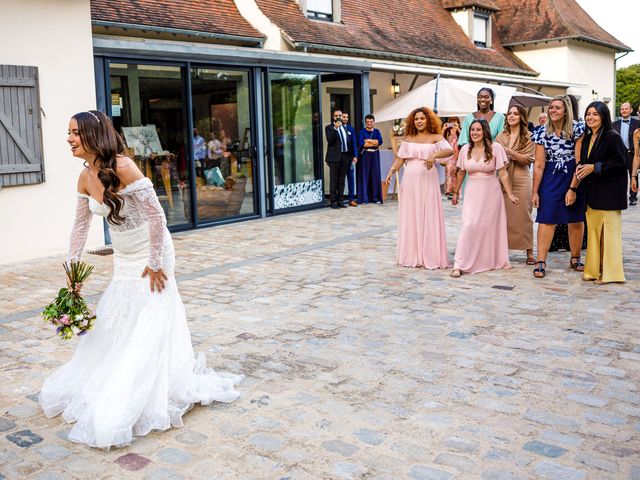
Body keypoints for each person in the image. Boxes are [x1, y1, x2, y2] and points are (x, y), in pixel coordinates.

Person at [39, 110, 241, 449]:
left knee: (152, 314)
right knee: (121, 313)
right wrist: (72, 271)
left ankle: (144, 387)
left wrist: (155, 261)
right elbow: (79, 227)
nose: (69, 139)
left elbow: (157, 216)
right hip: (123, 257)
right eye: (68, 132)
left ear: (93, 135)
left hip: (152, 251)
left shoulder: (123, 166)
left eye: (75, 133)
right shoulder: (85, 177)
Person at [384, 107, 453, 269]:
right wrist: (391, 171)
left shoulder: (436, 137)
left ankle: (430, 254)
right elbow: (401, 159)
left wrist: (434, 155)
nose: (419, 121)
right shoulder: (408, 138)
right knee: (412, 214)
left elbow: (449, 150)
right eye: (416, 119)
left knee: (428, 213)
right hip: (410, 180)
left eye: (422, 118)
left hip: (428, 179)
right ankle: (413, 254)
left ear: (428, 120)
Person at [450, 119, 519, 277]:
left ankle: (487, 260)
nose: (474, 133)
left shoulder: (496, 148)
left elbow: (502, 172)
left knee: (487, 227)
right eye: (472, 130)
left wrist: (510, 194)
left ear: (485, 131)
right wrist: (455, 192)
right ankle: (459, 264)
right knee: (469, 225)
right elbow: (461, 172)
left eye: (478, 130)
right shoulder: (465, 149)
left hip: (491, 192)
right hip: (472, 192)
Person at [531, 96, 586, 278]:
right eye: (551, 108)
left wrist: (573, 188)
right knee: (546, 218)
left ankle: (575, 257)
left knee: (575, 218)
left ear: (566, 111)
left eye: (557, 108)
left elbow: (579, 161)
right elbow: (539, 165)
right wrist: (535, 192)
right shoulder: (541, 132)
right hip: (550, 176)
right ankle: (541, 260)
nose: (553, 111)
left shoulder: (577, 129)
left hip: (572, 174)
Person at [578, 101, 627, 284]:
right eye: (588, 114)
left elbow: (621, 163)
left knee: (609, 236)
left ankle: (610, 274)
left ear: (603, 116)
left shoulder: (611, 136)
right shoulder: (588, 137)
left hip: (610, 194)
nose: (590, 117)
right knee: (594, 234)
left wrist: (594, 167)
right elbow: (585, 163)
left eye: (595, 114)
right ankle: (594, 271)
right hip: (593, 194)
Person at [496, 106, 535, 264]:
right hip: (504, 177)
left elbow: (528, 159)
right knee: (503, 215)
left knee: (524, 213)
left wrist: (511, 153)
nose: (512, 116)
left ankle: (529, 252)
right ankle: (501, 250)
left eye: (516, 114)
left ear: (522, 117)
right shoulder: (500, 136)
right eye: (510, 114)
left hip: (521, 177)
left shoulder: (529, 136)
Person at [325, 109, 355, 209]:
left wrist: (352, 155)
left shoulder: (345, 128)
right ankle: (333, 201)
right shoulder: (329, 128)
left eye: (340, 115)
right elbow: (330, 140)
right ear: (333, 117)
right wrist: (335, 128)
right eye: (336, 115)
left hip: (345, 156)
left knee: (342, 180)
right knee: (334, 180)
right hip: (334, 157)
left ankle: (340, 201)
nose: (338, 117)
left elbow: (348, 142)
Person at [613, 102, 640, 206]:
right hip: (620, 154)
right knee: (620, 175)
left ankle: (633, 197)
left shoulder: (637, 123)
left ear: (631, 110)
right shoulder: (614, 124)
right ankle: (620, 195)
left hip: (633, 153)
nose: (624, 111)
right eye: (622, 109)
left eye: (626, 109)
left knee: (633, 175)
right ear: (620, 111)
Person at [358, 114, 384, 205]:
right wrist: (373, 142)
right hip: (365, 155)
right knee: (364, 176)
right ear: (365, 123)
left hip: (375, 155)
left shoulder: (377, 131)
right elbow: (362, 144)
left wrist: (368, 140)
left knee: (375, 175)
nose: (369, 123)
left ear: (374, 122)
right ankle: (364, 199)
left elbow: (379, 142)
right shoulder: (362, 132)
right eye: (367, 122)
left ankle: (376, 198)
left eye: (371, 121)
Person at [341, 112, 359, 207]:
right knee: (341, 179)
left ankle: (351, 199)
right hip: (341, 158)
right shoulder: (338, 129)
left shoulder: (351, 129)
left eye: (347, 117)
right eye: (344, 117)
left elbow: (354, 143)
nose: (345, 118)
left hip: (350, 157)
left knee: (351, 179)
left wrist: (355, 156)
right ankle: (340, 199)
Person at [442, 123, 460, 198]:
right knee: (448, 173)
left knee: (456, 173)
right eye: (451, 122)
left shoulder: (458, 132)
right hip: (449, 156)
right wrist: (444, 128)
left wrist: (458, 128)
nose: (452, 124)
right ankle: (448, 191)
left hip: (457, 156)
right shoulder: (447, 131)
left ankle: (455, 190)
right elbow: (441, 138)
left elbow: (464, 138)